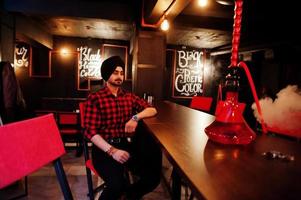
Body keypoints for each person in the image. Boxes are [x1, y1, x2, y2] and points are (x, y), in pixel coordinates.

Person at [83, 56, 162, 200]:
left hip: (124, 145)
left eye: (121, 73)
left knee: (153, 176)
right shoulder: (95, 98)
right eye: (115, 72)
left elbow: (152, 110)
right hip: (103, 150)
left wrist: (135, 118)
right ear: (107, 75)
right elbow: (90, 132)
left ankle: (130, 195)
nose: (119, 76)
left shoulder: (128, 96)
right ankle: (123, 192)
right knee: (116, 186)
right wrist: (112, 151)